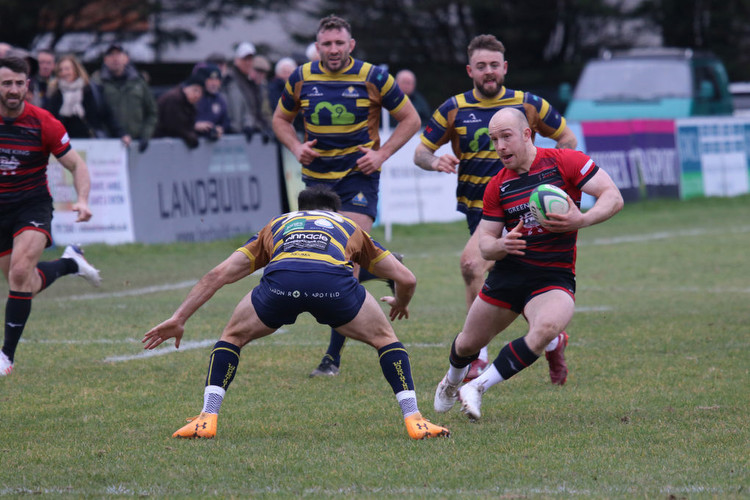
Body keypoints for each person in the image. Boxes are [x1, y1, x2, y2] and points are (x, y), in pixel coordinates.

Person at [142, 186, 451, 441]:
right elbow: (407, 278)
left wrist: (179, 318)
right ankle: (414, 419)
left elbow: (217, 275)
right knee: (386, 340)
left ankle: (207, 418)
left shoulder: (276, 224)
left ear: (298, 208)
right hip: (333, 285)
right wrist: (400, 302)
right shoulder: (348, 226)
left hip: (282, 283)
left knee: (232, 337)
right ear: (336, 211)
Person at [433, 107, 623, 420]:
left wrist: (582, 218)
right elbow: (485, 244)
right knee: (467, 344)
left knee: (547, 328)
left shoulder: (565, 162)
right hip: (509, 277)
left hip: (553, 276)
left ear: (527, 134)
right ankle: (452, 382)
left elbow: (613, 196)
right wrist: (500, 245)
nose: (500, 146)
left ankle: (477, 387)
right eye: (494, 140)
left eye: (506, 137)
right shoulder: (497, 185)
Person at [414, 34, 578, 383]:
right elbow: (420, 152)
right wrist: (435, 161)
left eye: (494, 65)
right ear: (470, 70)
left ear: (504, 68)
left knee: (472, 264)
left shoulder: (528, 104)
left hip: (524, 212)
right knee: (512, 283)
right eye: (481, 66)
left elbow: (567, 139)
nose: (488, 72)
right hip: (481, 211)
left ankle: (477, 356)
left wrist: (552, 183)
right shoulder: (454, 107)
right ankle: (551, 341)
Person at [272, 15, 421, 377]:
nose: (334, 50)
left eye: (340, 43)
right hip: (316, 182)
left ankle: (332, 358)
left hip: (358, 179)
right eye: (327, 44)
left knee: (344, 261)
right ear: (318, 46)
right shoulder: (302, 77)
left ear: (350, 45)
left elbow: (411, 119)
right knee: (323, 259)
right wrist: (295, 146)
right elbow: (279, 120)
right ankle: (382, 265)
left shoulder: (373, 77)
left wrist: (381, 155)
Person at [0, 56, 102, 376]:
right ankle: (71, 262)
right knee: (24, 284)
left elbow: (76, 165)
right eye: (6, 84)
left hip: (31, 206)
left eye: (19, 83)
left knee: (18, 274)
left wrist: (82, 200)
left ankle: (6, 357)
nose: (13, 89)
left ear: (28, 86)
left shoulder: (44, 122)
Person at [45, 54, 127, 141]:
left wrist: (121, 134)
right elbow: (49, 122)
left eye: (67, 69)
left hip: (91, 143)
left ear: (76, 70)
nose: (64, 73)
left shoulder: (91, 91)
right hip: (64, 145)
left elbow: (107, 116)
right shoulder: (55, 94)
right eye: (61, 70)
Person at [92, 44, 157, 153]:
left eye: (119, 54)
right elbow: (94, 114)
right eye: (111, 55)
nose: (115, 58)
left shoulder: (139, 83)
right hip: (107, 146)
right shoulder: (97, 84)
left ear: (126, 58)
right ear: (105, 60)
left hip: (136, 144)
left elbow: (152, 112)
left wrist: (145, 135)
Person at [222, 42, 272, 142]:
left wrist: (264, 127)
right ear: (237, 60)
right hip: (234, 133)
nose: (248, 62)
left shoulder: (253, 83)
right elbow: (230, 109)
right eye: (245, 59)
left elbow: (258, 111)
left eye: (250, 59)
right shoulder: (229, 81)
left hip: (249, 132)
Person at [153, 70, 206, 149]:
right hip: (159, 140)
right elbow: (174, 126)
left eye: (201, 92)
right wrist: (191, 137)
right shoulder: (174, 98)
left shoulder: (189, 103)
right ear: (186, 88)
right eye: (195, 90)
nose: (197, 95)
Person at [192, 62, 230, 141]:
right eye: (210, 79)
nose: (214, 83)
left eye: (217, 80)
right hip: (191, 143)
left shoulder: (220, 100)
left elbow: (225, 121)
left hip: (212, 146)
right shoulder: (195, 97)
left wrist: (221, 129)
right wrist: (195, 125)